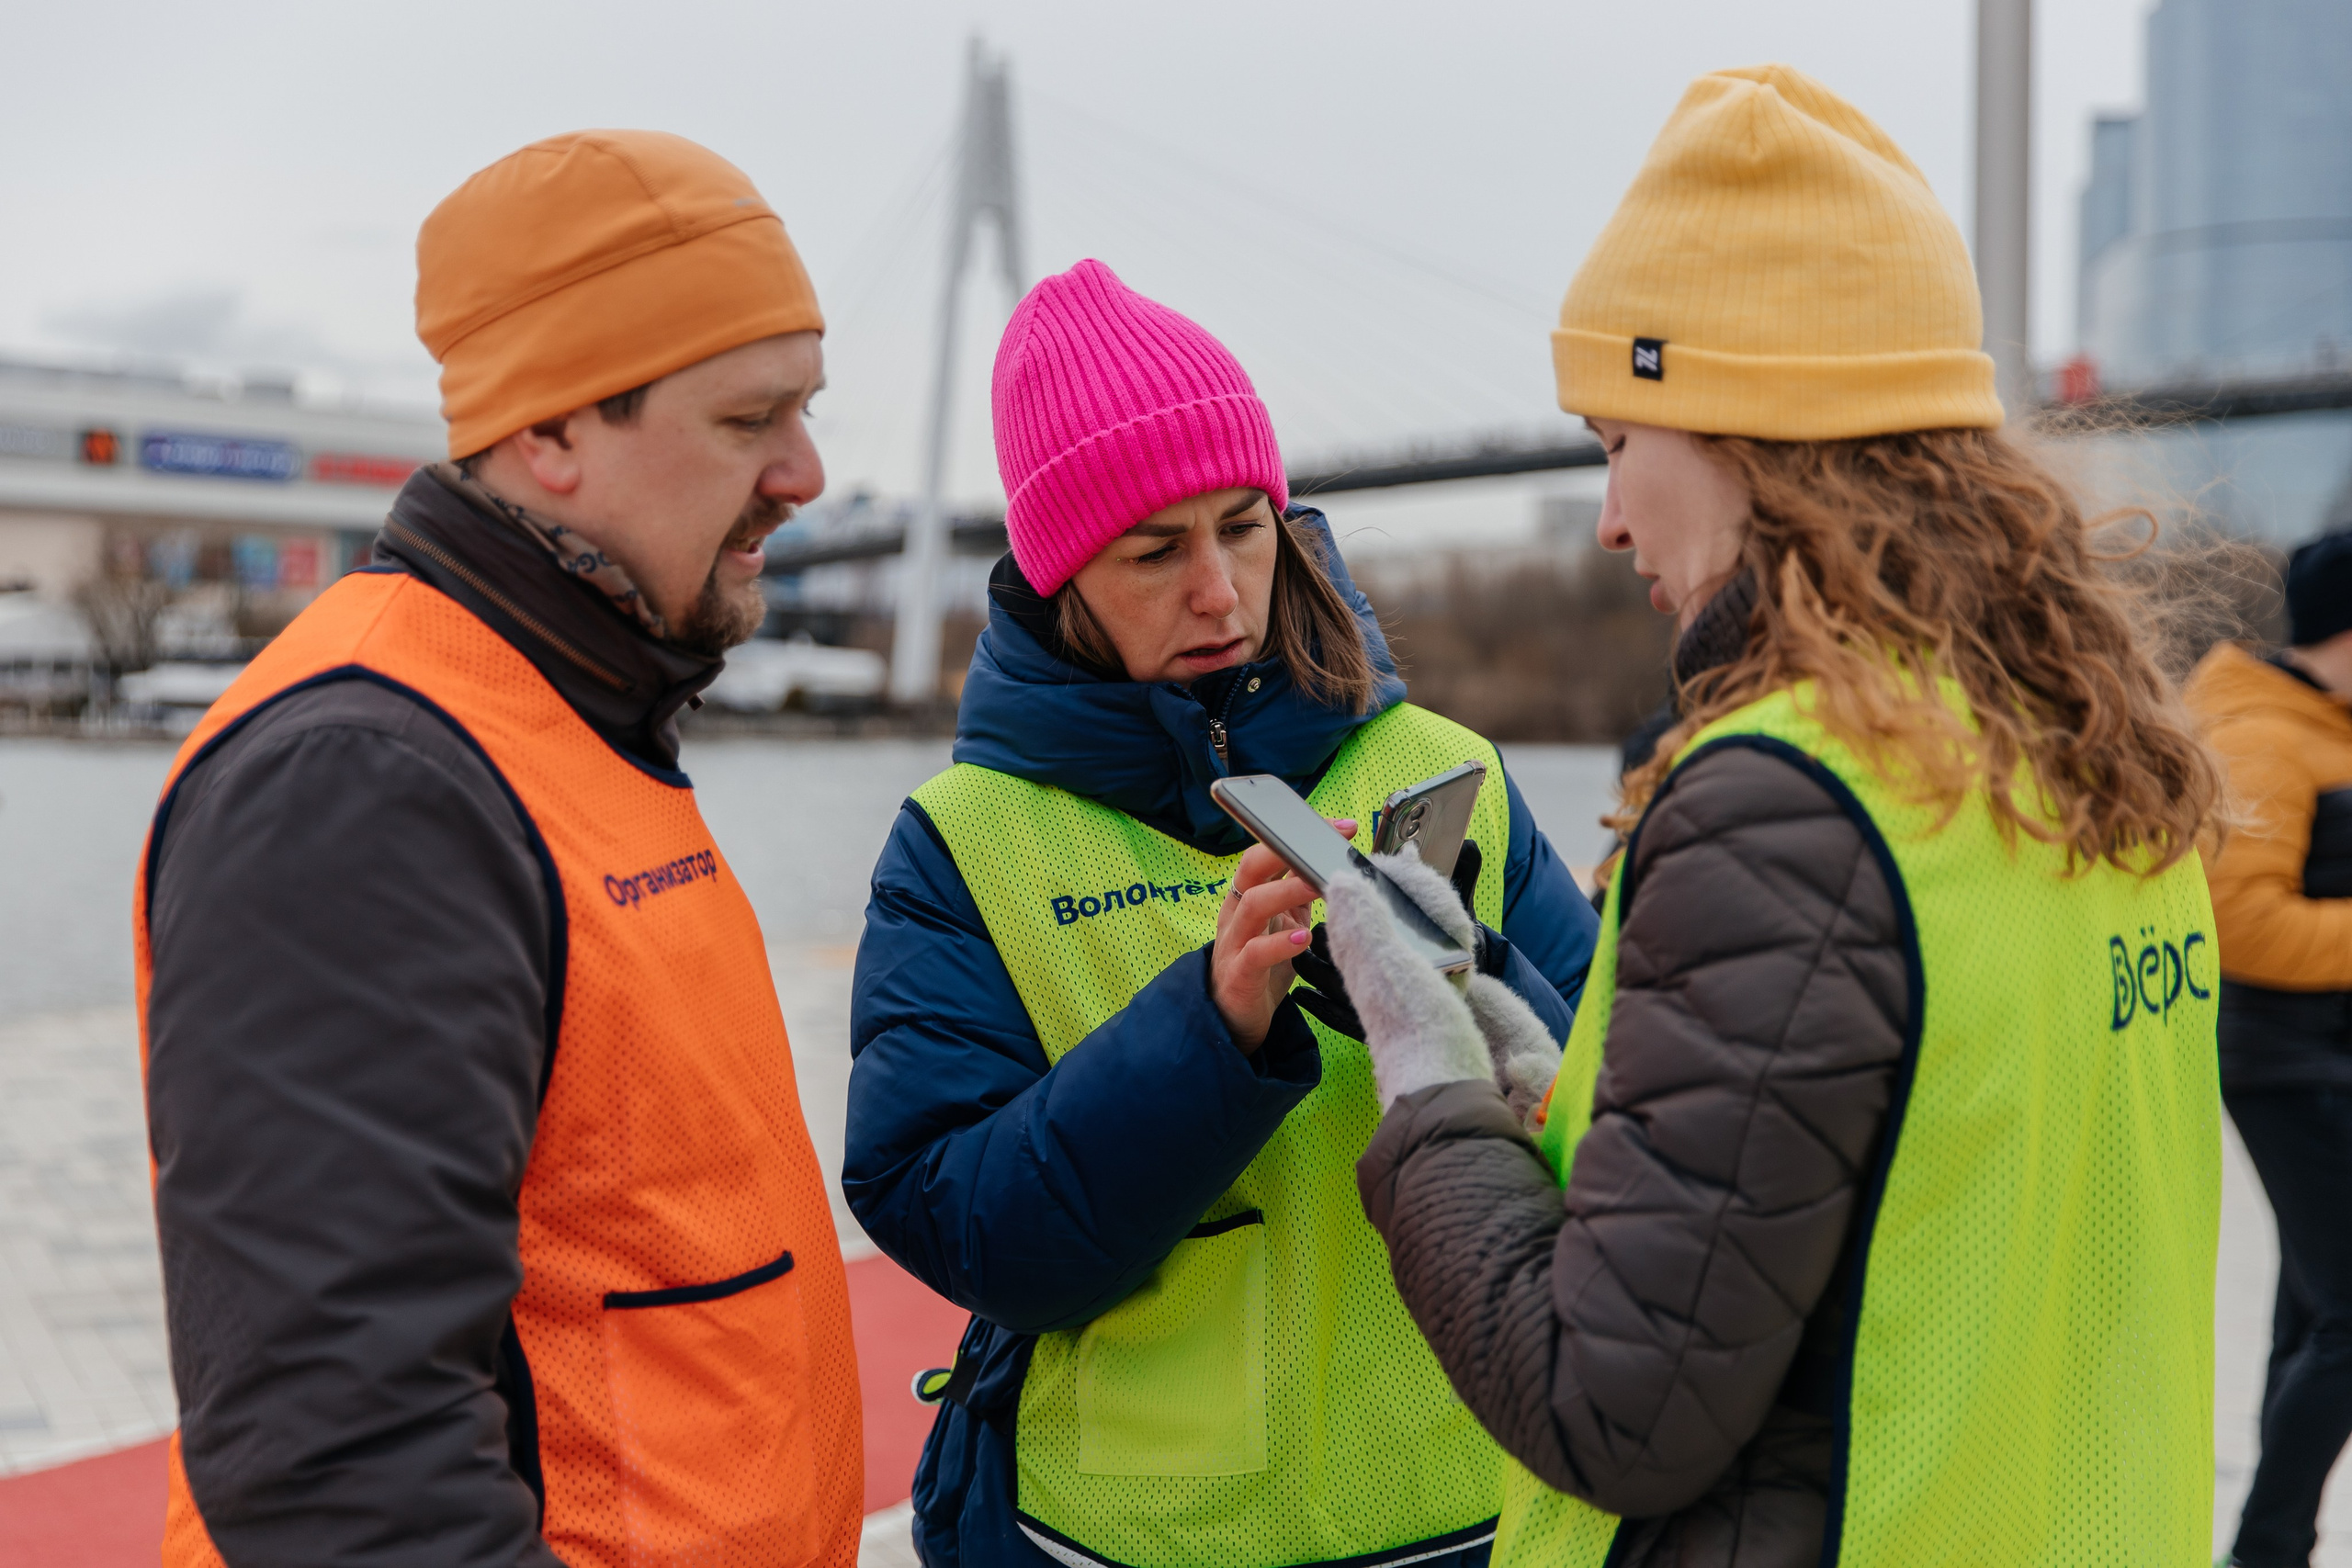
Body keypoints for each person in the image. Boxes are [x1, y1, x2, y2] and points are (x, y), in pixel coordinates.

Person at [1323, 65, 2228, 1568]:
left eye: (1618, 442)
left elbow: (1611, 1405)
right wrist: (1559, 1086)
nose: (1610, 517)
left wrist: (1428, 1093)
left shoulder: (1784, 800)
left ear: (1746, 429)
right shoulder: (2095, 761)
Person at [136, 130, 862, 1567]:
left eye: (805, 409)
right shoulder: (364, 782)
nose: (808, 473)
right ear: (552, 433)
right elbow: (342, 1469)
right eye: (749, 419)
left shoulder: (576, 713)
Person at [842, 258, 1600, 1568]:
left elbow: (1619, 1121)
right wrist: (1210, 1031)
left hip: (1473, 1516)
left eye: (1244, 527)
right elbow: (961, 1226)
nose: (1220, 590)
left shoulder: (1450, 767)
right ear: (1062, 579)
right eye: (1156, 551)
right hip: (1118, 1542)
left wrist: (1463, 971)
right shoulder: (962, 841)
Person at [2188, 529, 2352, 1568]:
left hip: (2329, 1058)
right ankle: (2268, 1548)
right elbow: (2237, 920)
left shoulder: (2327, 729)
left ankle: (2272, 1549)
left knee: (2315, 1319)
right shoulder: (2259, 735)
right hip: (2282, 1063)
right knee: (2348, 1320)